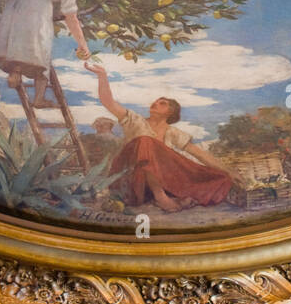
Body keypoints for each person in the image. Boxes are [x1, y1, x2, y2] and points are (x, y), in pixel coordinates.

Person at [84, 62, 234, 212]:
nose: (155, 103)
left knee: (220, 177)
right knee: (145, 141)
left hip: (157, 185)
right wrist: (102, 76)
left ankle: (167, 195)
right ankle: (160, 197)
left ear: (170, 113)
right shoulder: (135, 121)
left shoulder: (172, 132)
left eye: (162, 103)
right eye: (156, 101)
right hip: (130, 180)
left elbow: (199, 153)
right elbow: (108, 102)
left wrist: (230, 172)